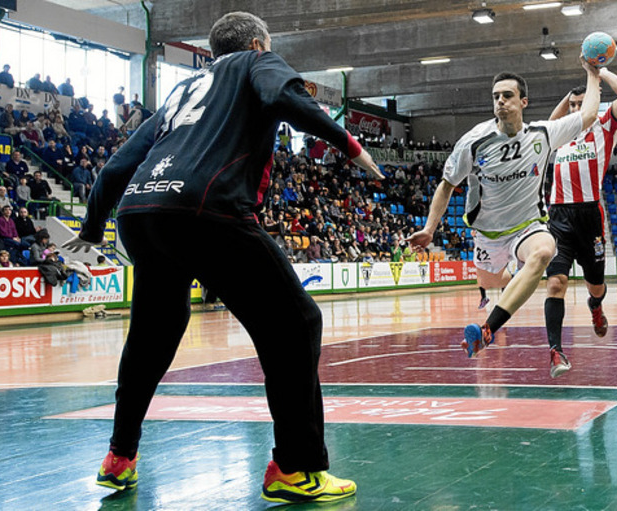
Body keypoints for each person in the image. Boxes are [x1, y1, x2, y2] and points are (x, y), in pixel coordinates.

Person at [63, 11, 381, 504]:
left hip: (140, 213)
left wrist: (91, 227)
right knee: (297, 324)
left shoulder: (180, 92)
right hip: (205, 206)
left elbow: (117, 165)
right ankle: (295, 467)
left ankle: (119, 457)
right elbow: (284, 95)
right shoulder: (255, 62)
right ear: (257, 44)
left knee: (151, 335)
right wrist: (349, 144)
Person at [407, 61, 601, 360]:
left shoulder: (543, 134)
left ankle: (488, 329)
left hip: (528, 226)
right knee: (491, 283)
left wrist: (593, 74)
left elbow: (588, 114)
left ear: (523, 102)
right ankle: (511, 274)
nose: (500, 101)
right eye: (496, 96)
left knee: (544, 251)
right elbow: (447, 185)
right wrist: (429, 229)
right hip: (487, 234)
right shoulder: (474, 142)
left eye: (507, 95)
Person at [543, 68, 617, 377]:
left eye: (580, 104)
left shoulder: (605, 125)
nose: (575, 109)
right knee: (555, 283)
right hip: (559, 216)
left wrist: (598, 72)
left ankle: (595, 306)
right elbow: (551, 121)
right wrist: (569, 97)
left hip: (590, 217)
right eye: (572, 105)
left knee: (596, 286)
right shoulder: (562, 132)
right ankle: (556, 351)